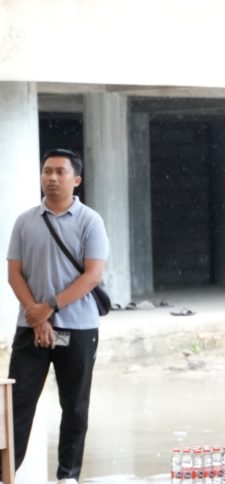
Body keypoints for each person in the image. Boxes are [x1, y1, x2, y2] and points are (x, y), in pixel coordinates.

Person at [6, 148, 109, 484]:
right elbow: (14, 274)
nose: (51, 178)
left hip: (78, 328)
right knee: (16, 404)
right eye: (46, 171)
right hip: (30, 329)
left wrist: (48, 307)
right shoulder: (25, 221)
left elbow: (92, 275)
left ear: (76, 180)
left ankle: (68, 476)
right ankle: (6, 473)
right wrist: (37, 318)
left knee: (75, 406)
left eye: (60, 172)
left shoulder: (90, 221)